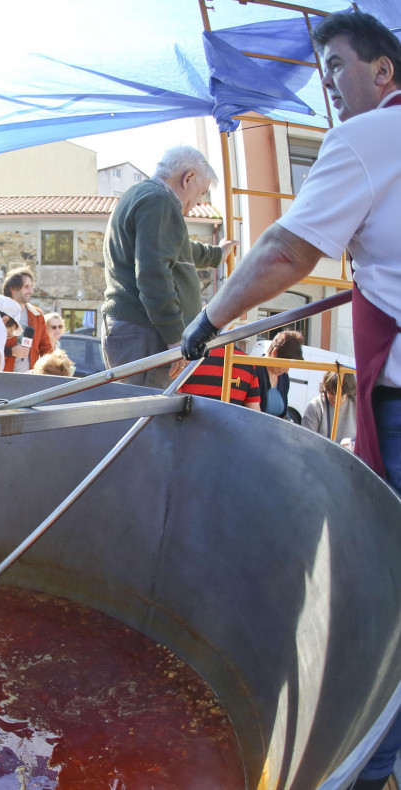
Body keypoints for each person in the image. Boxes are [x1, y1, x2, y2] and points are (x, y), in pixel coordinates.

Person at [180, 12, 401, 789]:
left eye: (337, 66)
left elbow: (283, 250)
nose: (331, 87)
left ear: (383, 73)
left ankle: (364, 763)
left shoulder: (370, 137)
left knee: (384, 585)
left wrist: (204, 322)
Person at [101, 145, 238, 389]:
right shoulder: (160, 202)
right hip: (146, 333)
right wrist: (175, 337)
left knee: (131, 414)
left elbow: (179, 249)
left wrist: (218, 253)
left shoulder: (142, 195)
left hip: (138, 332)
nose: (198, 202)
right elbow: (153, 276)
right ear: (189, 178)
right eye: (202, 192)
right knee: (143, 417)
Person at [1, 267, 54, 372]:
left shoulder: (37, 315)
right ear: (13, 288)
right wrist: (10, 351)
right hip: (2, 379)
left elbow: (46, 348)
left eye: (31, 287)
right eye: (26, 287)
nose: (31, 291)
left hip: (31, 380)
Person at [178, 346, 261, 409]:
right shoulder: (247, 362)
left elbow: (174, 403)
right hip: (229, 428)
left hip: (191, 427)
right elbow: (254, 411)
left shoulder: (186, 358)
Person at [302, 370, 358, 449]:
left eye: (340, 395)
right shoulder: (315, 406)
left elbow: (368, 440)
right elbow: (305, 442)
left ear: (348, 393)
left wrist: (353, 445)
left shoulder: (357, 406)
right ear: (325, 388)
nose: (335, 399)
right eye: (331, 393)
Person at [256, 331, 304, 420]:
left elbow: (284, 412)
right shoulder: (255, 371)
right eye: (285, 365)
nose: (286, 371)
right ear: (274, 353)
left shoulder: (284, 378)